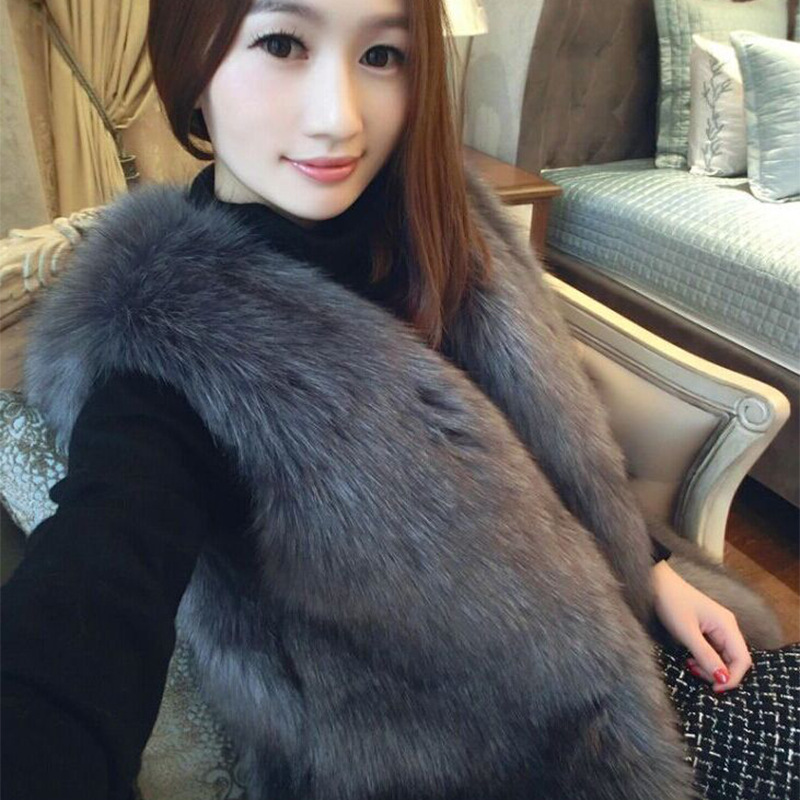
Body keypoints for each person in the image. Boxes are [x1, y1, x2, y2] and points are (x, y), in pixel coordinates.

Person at [2, 0, 797, 798]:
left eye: (382, 56)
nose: (340, 120)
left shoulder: (443, 222)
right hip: (498, 764)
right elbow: (91, 592)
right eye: (281, 43)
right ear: (191, 64)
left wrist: (652, 570)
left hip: (634, 655)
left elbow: (547, 449)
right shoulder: (164, 350)